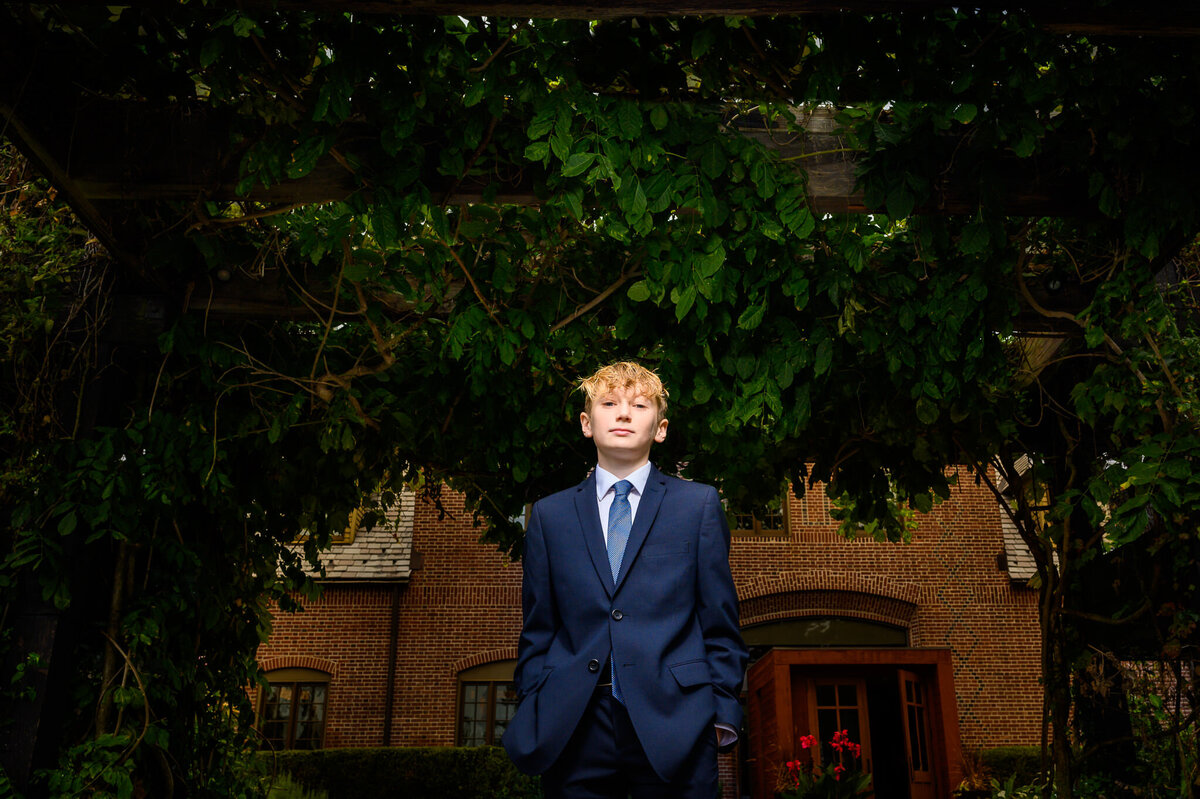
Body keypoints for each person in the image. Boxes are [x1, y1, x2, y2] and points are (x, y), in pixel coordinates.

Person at [502, 361, 748, 799]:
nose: (622, 413)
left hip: (678, 720)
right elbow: (539, 627)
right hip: (575, 725)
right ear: (586, 423)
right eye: (609, 403)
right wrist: (537, 700)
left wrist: (721, 715)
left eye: (638, 405)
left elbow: (721, 624)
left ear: (661, 428)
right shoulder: (550, 517)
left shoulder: (698, 506)